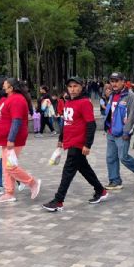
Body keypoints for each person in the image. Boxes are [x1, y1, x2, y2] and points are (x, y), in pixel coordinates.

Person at [42, 77, 107, 212]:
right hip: (69, 141)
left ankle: (58, 200)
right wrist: (61, 139)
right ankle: (101, 190)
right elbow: (66, 123)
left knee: (68, 171)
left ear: (81, 87)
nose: (72, 89)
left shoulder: (84, 103)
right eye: (70, 86)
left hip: (78, 143)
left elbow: (91, 125)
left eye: (75, 86)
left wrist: (87, 145)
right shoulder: (68, 102)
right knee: (84, 169)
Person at [0, 78, 41, 203]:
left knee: (10, 166)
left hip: (13, 139)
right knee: (6, 167)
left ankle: (32, 182)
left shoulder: (17, 99)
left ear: (11, 87)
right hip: (5, 139)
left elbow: (17, 120)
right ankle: (9, 193)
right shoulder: (10, 98)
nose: (3, 87)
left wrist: (11, 139)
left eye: (5, 85)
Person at [103, 72, 134, 190]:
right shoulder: (112, 95)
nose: (114, 84)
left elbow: (132, 116)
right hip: (111, 131)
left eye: (117, 81)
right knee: (110, 157)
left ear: (122, 81)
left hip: (122, 133)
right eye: (112, 81)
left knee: (123, 157)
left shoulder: (130, 96)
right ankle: (115, 180)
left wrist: (127, 132)